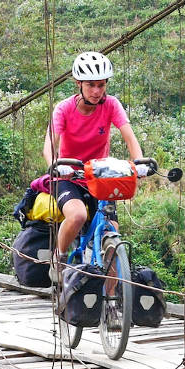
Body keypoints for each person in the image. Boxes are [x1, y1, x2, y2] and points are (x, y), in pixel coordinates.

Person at [42, 51, 147, 261]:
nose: (96, 91)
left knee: (112, 234)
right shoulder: (63, 109)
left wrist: (140, 162)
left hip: (100, 178)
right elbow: (48, 147)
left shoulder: (111, 104)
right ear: (78, 83)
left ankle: (112, 293)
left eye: (101, 85)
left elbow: (129, 136)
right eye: (90, 84)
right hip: (69, 177)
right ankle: (59, 258)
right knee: (78, 215)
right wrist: (56, 165)